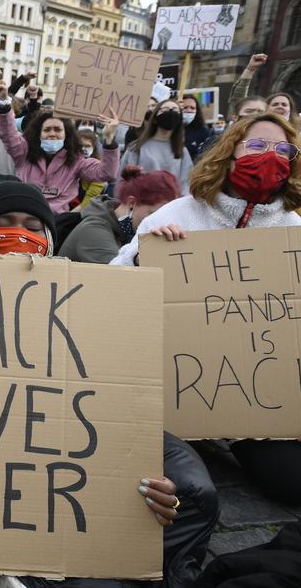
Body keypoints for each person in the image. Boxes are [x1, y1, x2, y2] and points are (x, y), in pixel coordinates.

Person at [0, 174, 217, 588]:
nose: (19, 233)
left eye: (33, 227)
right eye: (4, 222)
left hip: (44, 456)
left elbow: (113, 404)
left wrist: (144, 482)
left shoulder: (77, 304)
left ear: (49, 239)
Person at [112, 112, 301, 507]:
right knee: (170, 489)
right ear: (230, 153)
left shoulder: (293, 230)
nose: (271, 156)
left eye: (283, 149)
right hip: (173, 387)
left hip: (257, 398)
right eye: (257, 145)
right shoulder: (179, 213)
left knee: (291, 483)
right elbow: (114, 286)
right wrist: (147, 253)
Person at [0, 80, 120, 213]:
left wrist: (109, 139)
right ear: (38, 134)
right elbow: (8, 134)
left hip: (58, 223)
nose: (52, 134)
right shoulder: (24, 153)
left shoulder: (77, 160)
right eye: (47, 130)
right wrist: (3, 104)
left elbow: (107, 173)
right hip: (27, 216)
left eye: (57, 130)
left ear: (67, 134)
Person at [60, 166, 180, 264]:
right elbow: (120, 278)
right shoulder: (94, 230)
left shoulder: (123, 228)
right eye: (153, 214)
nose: (160, 221)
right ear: (131, 203)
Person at [120, 100, 193, 195]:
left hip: (171, 206)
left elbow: (186, 184)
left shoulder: (182, 151)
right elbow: (123, 180)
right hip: (142, 204)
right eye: (165, 109)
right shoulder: (137, 147)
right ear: (154, 118)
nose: (170, 112)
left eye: (175, 110)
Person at [180, 95, 212, 160]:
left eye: (192, 108)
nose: (189, 110)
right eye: (185, 107)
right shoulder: (171, 129)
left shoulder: (203, 131)